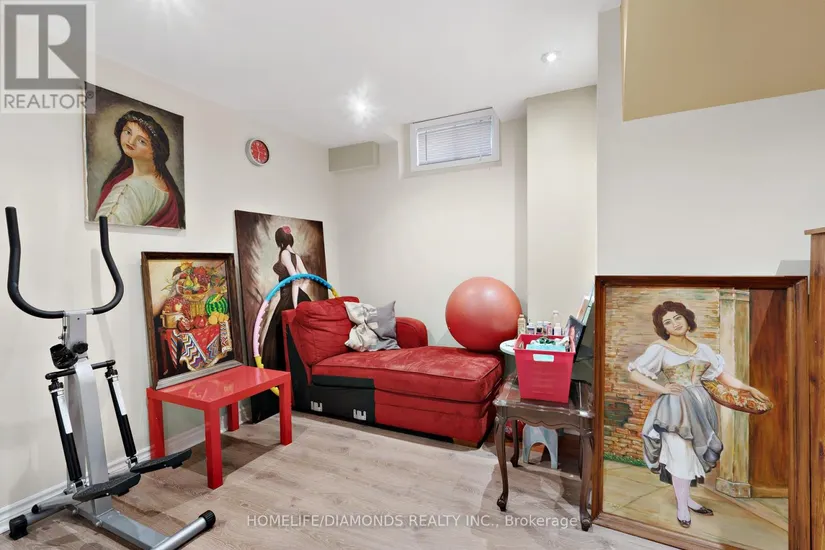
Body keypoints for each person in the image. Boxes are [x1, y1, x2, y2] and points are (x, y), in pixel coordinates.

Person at [627, 301, 769, 528]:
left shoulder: (703, 349)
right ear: (663, 328)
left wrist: (748, 388)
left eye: (677, 317)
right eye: (668, 322)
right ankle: (682, 508)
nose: (675, 324)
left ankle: (687, 500)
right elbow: (635, 374)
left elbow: (721, 376)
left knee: (692, 455)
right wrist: (663, 388)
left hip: (701, 407)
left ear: (687, 318)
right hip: (675, 409)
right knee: (680, 455)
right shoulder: (660, 349)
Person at [254, 226, 312, 421]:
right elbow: (305, 277)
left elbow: (295, 278)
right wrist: (301, 294)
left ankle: (284, 389)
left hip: (289, 298)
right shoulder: (296, 255)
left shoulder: (285, 254)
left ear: (280, 241)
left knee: (278, 342)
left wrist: (295, 303)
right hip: (293, 296)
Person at [94, 110, 185, 228]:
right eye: (128, 132)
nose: (130, 141)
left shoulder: (131, 189)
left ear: (156, 151)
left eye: (142, 141)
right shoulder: (161, 181)